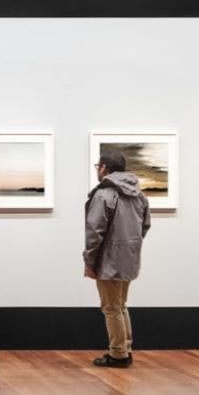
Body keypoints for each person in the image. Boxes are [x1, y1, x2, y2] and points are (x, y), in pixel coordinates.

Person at [83, 151, 151, 368]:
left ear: (104, 168)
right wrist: (130, 247)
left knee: (111, 308)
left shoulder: (104, 194)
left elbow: (94, 232)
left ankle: (118, 354)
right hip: (129, 259)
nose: (97, 170)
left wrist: (89, 261)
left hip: (109, 261)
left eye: (98, 167)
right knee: (120, 305)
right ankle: (125, 349)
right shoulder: (139, 195)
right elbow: (145, 225)